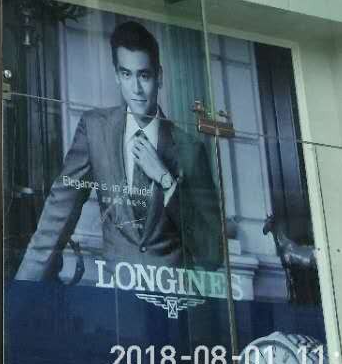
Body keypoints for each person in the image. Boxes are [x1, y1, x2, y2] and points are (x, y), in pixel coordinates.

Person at [16, 18, 222, 280]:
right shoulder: (94, 129)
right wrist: (23, 290)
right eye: (126, 74)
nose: (136, 89)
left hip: (174, 297)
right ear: (116, 75)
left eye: (144, 75)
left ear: (159, 76)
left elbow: (212, 253)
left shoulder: (190, 149)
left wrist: (166, 182)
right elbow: (57, 217)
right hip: (116, 297)